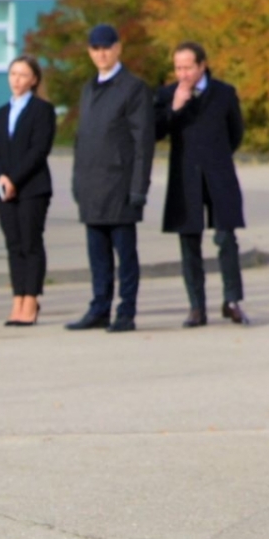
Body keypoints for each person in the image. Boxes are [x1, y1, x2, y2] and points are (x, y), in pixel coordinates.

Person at [67, 23, 154, 333]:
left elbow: (143, 142)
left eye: (107, 47)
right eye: (96, 48)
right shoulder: (89, 88)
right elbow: (82, 139)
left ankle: (126, 311)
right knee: (97, 254)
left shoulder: (133, 88)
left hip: (120, 185)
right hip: (91, 185)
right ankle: (99, 307)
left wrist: (139, 188)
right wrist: (77, 181)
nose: (101, 53)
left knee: (125, 255)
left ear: (118, 48)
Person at [155, 41, 249, 327]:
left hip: (218, 175)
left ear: (202, 66)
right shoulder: (167, 94)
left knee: (226, 238)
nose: (182, 74)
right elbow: (156, 131)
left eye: (187, 68)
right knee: (188, 240)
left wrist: (216, 157)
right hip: (185, 177)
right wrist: (175, 107)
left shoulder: (224, 93)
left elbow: (236, 132)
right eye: (178, 68)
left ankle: (232, 301)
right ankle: (196, 307)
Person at [0, 56, 57, 326]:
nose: (16, 80)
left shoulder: (42, 110)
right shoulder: (2, 111)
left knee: (30, 242)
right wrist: (2, 178)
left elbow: (39, 150)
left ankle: (31, 299)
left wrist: (15, 179)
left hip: (32, 187)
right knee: (14, 245)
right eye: (13, 74)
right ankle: (17, 297)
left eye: (23, 75)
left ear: (34, 80)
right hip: (5, 189)